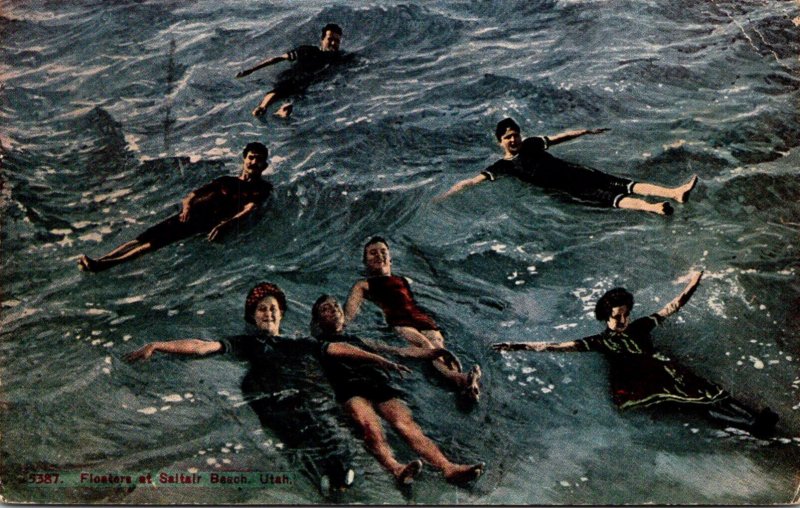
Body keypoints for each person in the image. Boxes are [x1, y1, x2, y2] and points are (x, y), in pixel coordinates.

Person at [125, 282, 363, 494]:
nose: (268, 313)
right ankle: (323, 478)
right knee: (298, 433)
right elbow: (202, 347)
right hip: (265, 393)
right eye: (262, 309)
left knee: (324, 431)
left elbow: (336, 349)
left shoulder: (297, 342)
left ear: (281, 314)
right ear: (254, 317)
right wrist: (158, 345)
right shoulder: (247, 342)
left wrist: (378, 357)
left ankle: (335, 475)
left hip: (295, 393)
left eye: (272, 309)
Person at [492, 271, 780, 437]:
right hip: (643, 384)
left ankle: (755, 418)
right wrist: (516, 345)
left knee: (712, 392)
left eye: (626, 315)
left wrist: (693, 284)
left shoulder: (640, 327)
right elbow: (557, 347)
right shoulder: (599, 341)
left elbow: (671, 307)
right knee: (700, 406)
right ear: (606, 316)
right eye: (618, 316)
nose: (623, 320)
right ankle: (750, 427)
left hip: (666, 372)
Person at [311, 294, 486, 485]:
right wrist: (379, 360)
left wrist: (434, 352)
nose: (334, 310)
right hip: (350, 389)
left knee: (406, 425)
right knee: (370, 426)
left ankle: (448, 467)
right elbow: (342, 350)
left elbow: (399, 351)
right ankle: (396, 468)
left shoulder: (360, 339)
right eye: (325, 309)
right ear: (318, 321)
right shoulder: (318, 344)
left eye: (336, 306)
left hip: (377, 383)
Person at [436, 118, 698, 215]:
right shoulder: (503, 166)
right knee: (615, 198)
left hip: (578, 172)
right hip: (568, 188)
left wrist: (585, 131)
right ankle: (654, 208)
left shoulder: (532, 144)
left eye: (515, 134)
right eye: (507, 137)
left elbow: (559, 138)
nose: (513, 140)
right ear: (500, 142)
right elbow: (471, 181)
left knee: (625, 183)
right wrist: (447, 194)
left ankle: (673, 193)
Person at [78, 142, 272, 272]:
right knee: (142, 238)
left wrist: (224, 225)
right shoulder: (226, 180)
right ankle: (102, 259)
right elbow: (192, 196)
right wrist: (187, 207)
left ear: (264, 165)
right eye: (251, 157)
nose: (254, 162)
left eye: (259, 159)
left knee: (154, 244)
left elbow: (249, 209)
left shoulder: (261, 187)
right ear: (244, 159)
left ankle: (104, 266)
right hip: (187, 215)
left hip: (202, 222)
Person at [344, 236, 482, 402]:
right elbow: (352, 307)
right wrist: (344, 323)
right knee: (426, 345)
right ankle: (460, 379)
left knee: (437, 344)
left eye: (383, 252)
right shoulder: (364, 284)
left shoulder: (404, 280)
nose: (379, 256)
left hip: (422, 318)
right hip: (399, 321)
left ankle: (461, 380)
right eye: (372, 253)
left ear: (390, 259)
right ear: (365, 262)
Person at [236, 23, 344, 118]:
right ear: (322, 40)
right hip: (291, 77)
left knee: (295, 99)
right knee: (281, 90)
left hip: (306, 84)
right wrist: (251, 70)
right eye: (330, 39)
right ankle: (262, 107)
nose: (333, 43)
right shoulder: (308, 50)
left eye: (337, 41)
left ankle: (281, 111)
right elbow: (278, 59)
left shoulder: (338, 58)